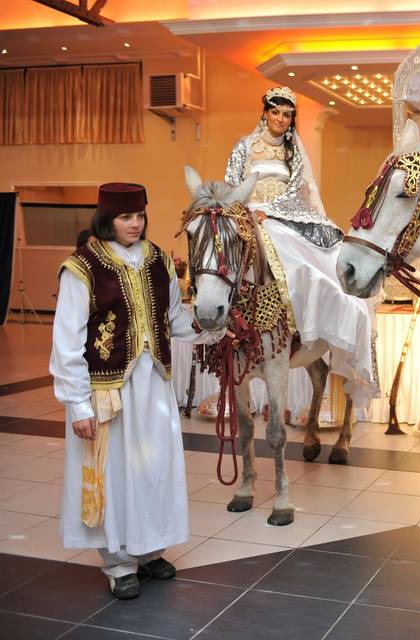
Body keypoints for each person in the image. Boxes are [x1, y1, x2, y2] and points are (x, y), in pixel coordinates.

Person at [50, 183, 222, 599]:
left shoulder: (159, 259)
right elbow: (66, 339)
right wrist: (77, 405)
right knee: (114, 474)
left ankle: (150, 550)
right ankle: (119, 563)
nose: (135, 224)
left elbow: (175, 320)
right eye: (126, 217)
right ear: (106, 218)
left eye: (140, 216)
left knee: (154, 470)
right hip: (107, 391)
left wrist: (213, 326)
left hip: (155, 387)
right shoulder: (83, 266)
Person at [224, 86, 377, 404]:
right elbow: (230, 184)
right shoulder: (244, 146)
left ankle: (306, 325)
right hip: (246, 217)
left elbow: (296, 191)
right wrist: (247, 211)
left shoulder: (293, 149)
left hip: (279, 218)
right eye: (275, 112)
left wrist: (272, 212)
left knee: (311, 266)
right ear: (264, 112)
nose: (280, 119)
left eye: (287, 114)